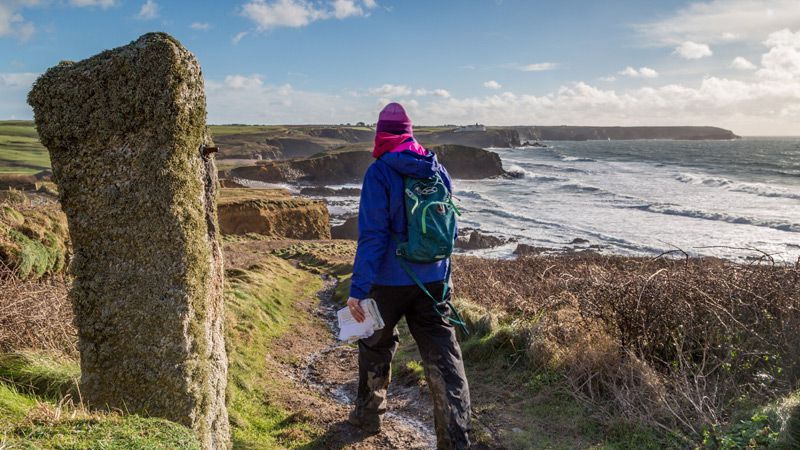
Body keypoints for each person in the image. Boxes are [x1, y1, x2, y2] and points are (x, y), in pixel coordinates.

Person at [346, 102, 471, 449]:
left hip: (389, 280)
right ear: (410, 131)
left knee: (376, 343)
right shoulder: (436, 168)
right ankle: (456, 439)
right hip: (432, 281)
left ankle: (368, 415)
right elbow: (451, 229)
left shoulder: (379, 172)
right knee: (444, 357)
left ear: (381, 134)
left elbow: (373, 236)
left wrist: (358, 289)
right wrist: (444, 277)